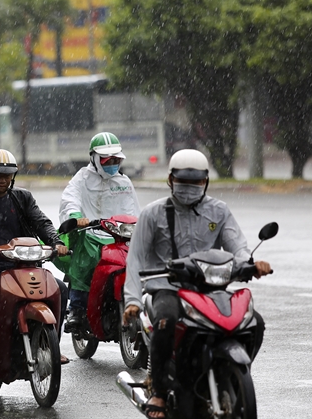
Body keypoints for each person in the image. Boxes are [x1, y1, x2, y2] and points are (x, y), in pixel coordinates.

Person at [122, 149, 272, 419]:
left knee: (255, 322)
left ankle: (230, 370)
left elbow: (238, 247)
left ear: (205, 182)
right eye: (183, 181)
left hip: (209, 288)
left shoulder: (219, 211)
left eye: (196, 182)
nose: (189, 187)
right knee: (166, 320)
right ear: (170, 179)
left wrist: (251, 264)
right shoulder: (153, 213)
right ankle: (158, 389)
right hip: (166, 287)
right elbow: (135, 259)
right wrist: (132, 300)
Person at [0, 149, 69, 369]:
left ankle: (50, 345)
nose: (2, 180)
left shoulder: (22, 197)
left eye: (7, 175)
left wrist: (56, 242)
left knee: (60, 290)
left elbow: (41, 221)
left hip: (21, 263)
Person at [58, 132, 140, 334]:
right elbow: (70, 199)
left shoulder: (124, 182)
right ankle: (76, 308)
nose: (112, 163)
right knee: (84, 263)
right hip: (89, 233)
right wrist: (76, 216)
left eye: (115, 159)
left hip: (119, 235)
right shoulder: (82, 178)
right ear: (94, 158)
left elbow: (133, 210)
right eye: (107, 159)